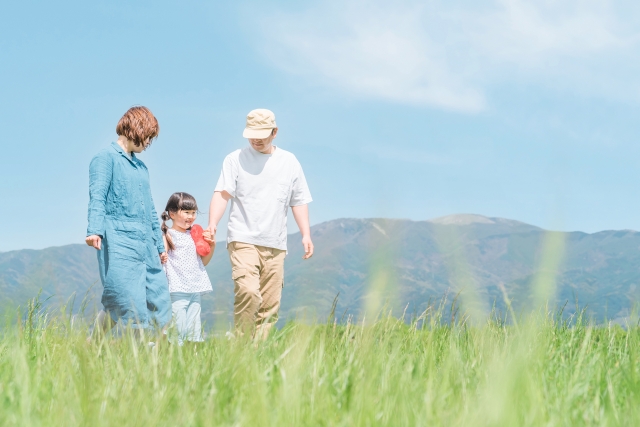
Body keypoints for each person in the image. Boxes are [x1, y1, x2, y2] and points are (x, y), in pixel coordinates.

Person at [206, 108, 314, 339]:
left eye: (262, 134)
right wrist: (213, 223)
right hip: (243, 238)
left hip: (275, 244)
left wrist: (306, 234)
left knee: (269, 307)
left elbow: (299, 200)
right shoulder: (235, 159)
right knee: (248, 292)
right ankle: (242, 346)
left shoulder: (289, 162)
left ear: (275, 132)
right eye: (251, 134)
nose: (256, 139)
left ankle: (257, 355)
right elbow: (222, 194)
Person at [86, 106, 171, 337]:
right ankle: (105, 348)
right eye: (148, 138)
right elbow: (98, 196)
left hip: (145, 242)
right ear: (136, 130)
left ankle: (155, 353)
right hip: (119, 238)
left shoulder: (142, 168)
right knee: (127, 302)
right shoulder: (105, 158)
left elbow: (150, 208)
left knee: (160, 299)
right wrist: (94, 230)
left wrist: (159, 244)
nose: (148, 144)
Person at [160, 192, 214, 345]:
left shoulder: (195, 235)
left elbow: (203, 261)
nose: (191, 216)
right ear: (172, 214)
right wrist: (162, 255)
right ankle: (167, 352)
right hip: (177, 288)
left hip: (194, 287)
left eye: (193, 212)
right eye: (186, 212)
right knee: (178, 325)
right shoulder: (168, 235)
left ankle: (192, 358)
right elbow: (162, 256)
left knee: (193, 328)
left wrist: (212, 246)